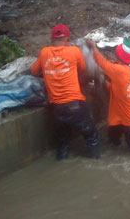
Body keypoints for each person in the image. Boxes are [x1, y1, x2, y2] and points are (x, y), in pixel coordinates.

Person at [31, 24, 100, 160]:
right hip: (76, 105)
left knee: (63, 142)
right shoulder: (74, 51)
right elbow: (82, 68)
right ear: (68, 39)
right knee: (92, 136)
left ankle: (61, 161)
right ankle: (96, 160)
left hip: (57, 109)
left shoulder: (44, 53)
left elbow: (34, 71)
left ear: (51, 40)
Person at [87, 38, 130, 154]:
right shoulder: (125, 70)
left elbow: (102, 62)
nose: (112, 54)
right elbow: (114, 88)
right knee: (113, 140)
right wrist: (102, 81)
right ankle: (115, 141)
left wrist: (94, 47)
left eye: (114, 52)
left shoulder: (118, 70)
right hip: (120, 117)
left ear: (118, 57)